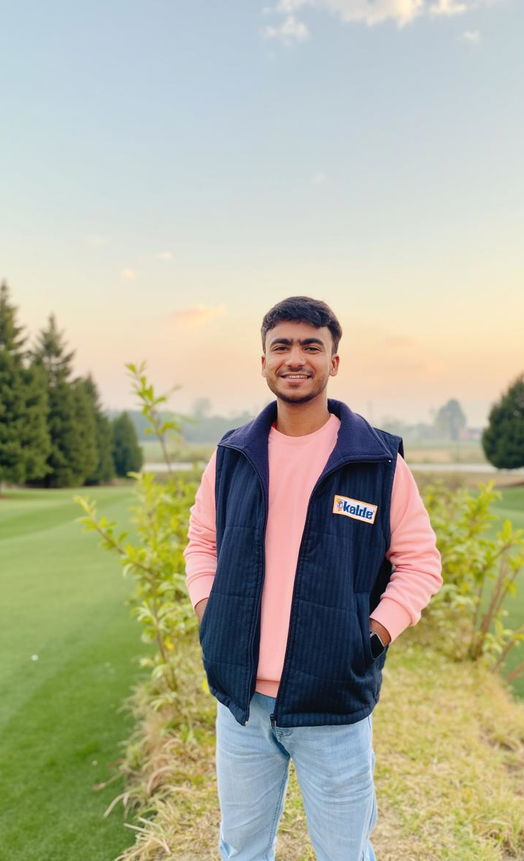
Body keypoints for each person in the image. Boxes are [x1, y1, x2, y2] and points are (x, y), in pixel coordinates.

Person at [184, 296, 442, 861]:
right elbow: (201, 544)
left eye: (311, 346)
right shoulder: (231, 456)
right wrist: (211, 614)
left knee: (344, 853)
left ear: (333, 362)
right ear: (263, 361)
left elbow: (420, 563)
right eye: (282, 346)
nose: (295, 358)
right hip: (242, 703)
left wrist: (370, 637)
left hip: (333, 703)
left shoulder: (377, 462)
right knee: (241, 849)